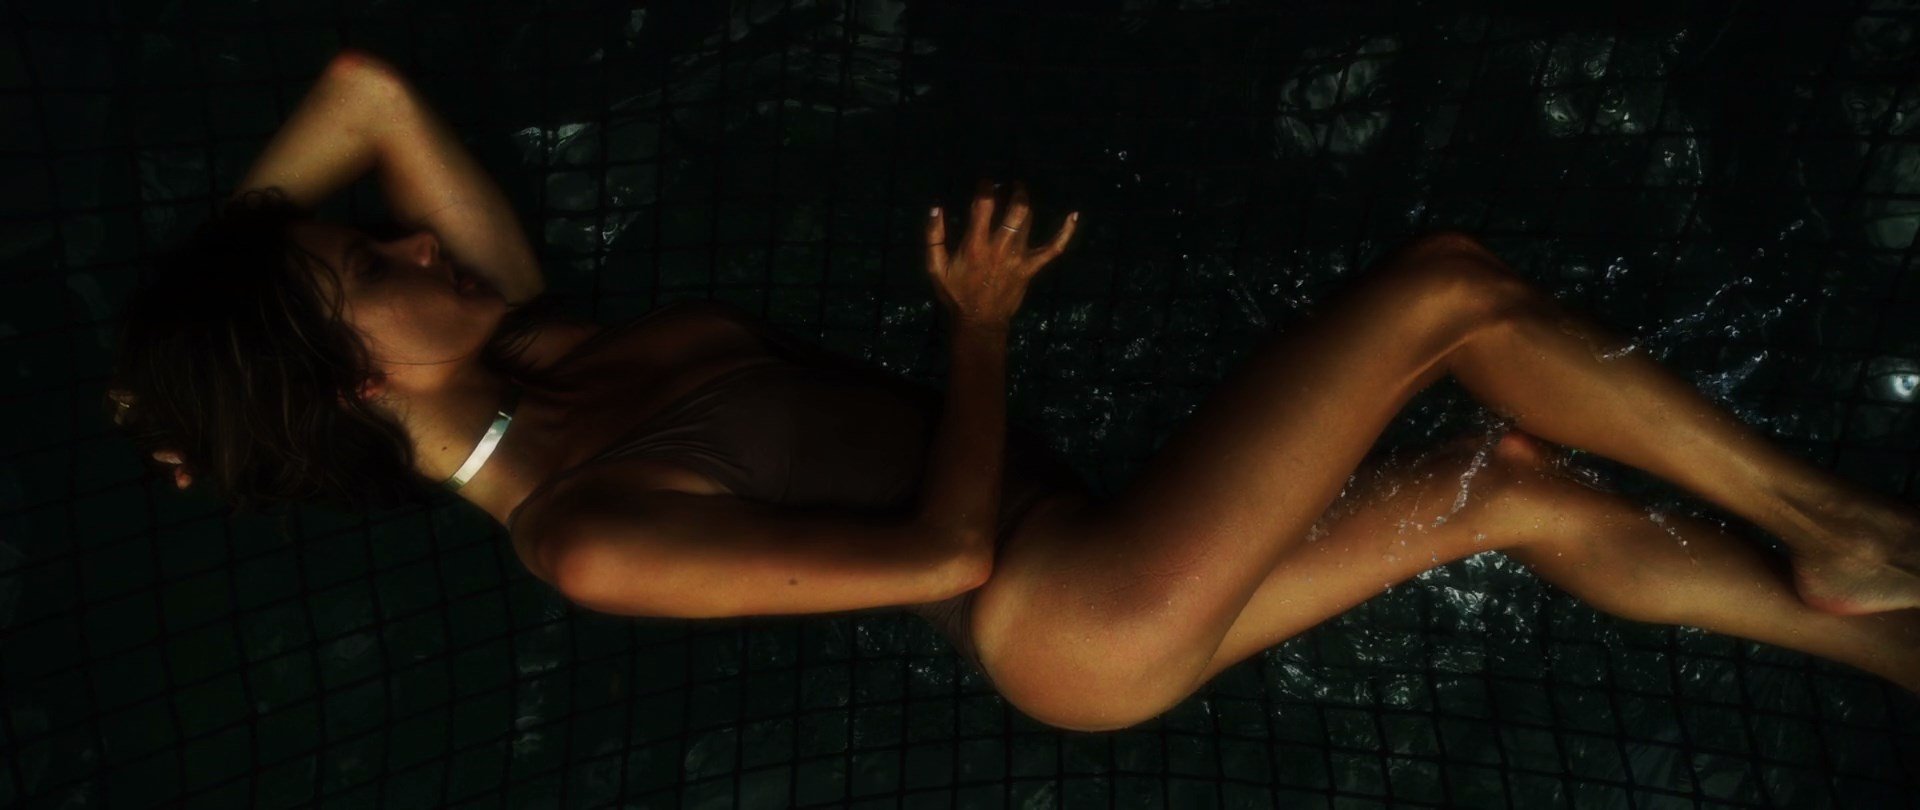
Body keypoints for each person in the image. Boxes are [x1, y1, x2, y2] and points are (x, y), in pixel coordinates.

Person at [107, 49, 1920, 734]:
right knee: (1446, 286)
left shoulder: (523, 343)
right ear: (353, 371)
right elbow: (940, 552)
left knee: (1518, 482)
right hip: (1063, 611)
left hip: (1076, 543)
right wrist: (978, 325)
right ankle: (1854, 529)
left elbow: (364, 90)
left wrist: (184, 355)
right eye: (370, 268)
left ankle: (1890, 632)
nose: (415, 239)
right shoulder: (578, 536)